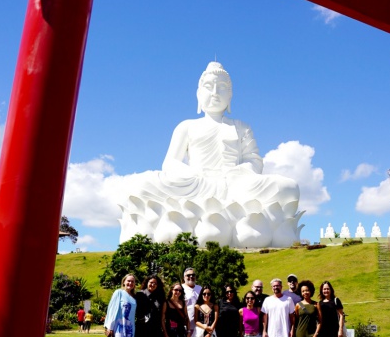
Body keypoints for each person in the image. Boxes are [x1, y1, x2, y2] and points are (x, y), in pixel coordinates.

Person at [119, 62, 301, 248]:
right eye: (208, 86)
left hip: (234, 185)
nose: (215, 92)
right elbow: (170, 163)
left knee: (288, 187)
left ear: (230, 95)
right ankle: (247, 224)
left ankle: (190, 219)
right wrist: (193, 174)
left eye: (221, 87)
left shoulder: (241, 127)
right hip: (196, 184)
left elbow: (254, 162)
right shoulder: (187, 126)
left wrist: (236, 173)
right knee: (138, 185)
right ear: (198, 94)